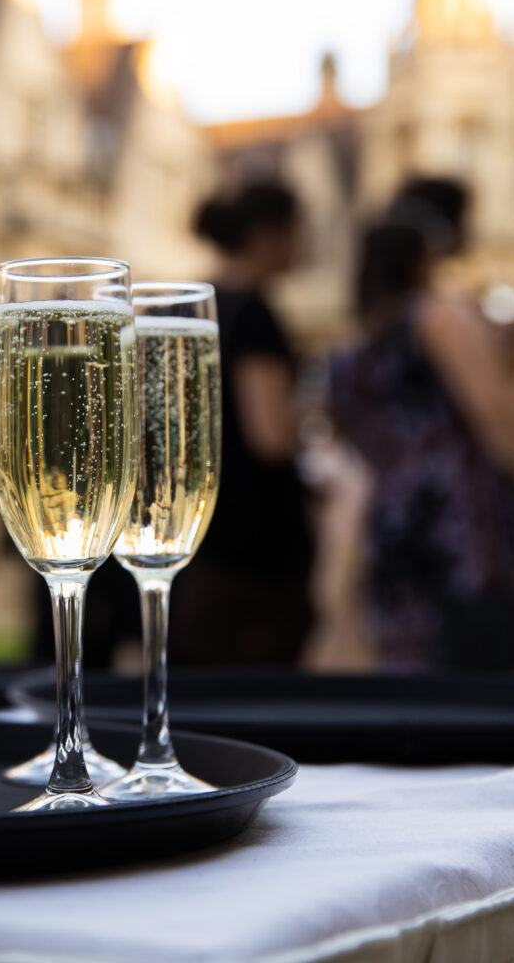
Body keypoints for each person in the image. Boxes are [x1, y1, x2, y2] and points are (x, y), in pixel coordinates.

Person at [328, 187, 514, 670]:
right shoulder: (439, 313)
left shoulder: (355, 345)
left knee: (414, 706)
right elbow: (500, 423)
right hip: (463, 540)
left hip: (394, 536)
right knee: (479, 709)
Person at [168, 179, 315, 665]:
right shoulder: (253, 315)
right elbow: (271, 434)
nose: (303, 246)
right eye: (296, 232)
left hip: (195, 535)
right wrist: (314, 406)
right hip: (252, 551)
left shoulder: (186, 308)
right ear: (264, 235)